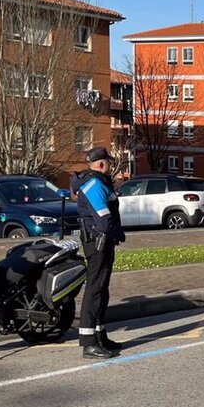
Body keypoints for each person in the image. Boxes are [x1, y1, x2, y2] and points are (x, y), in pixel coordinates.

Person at [71, 147, 126, 359]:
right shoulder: (94, 185)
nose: (111, 166)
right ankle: (89, 343)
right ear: (101, 164)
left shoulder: (98, 182)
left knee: (102, 290)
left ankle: (100, 335)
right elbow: (104, 221)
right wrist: (118, 233)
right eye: (109, 162)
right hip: (97, 243)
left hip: (102, 241)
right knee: (94, 291)